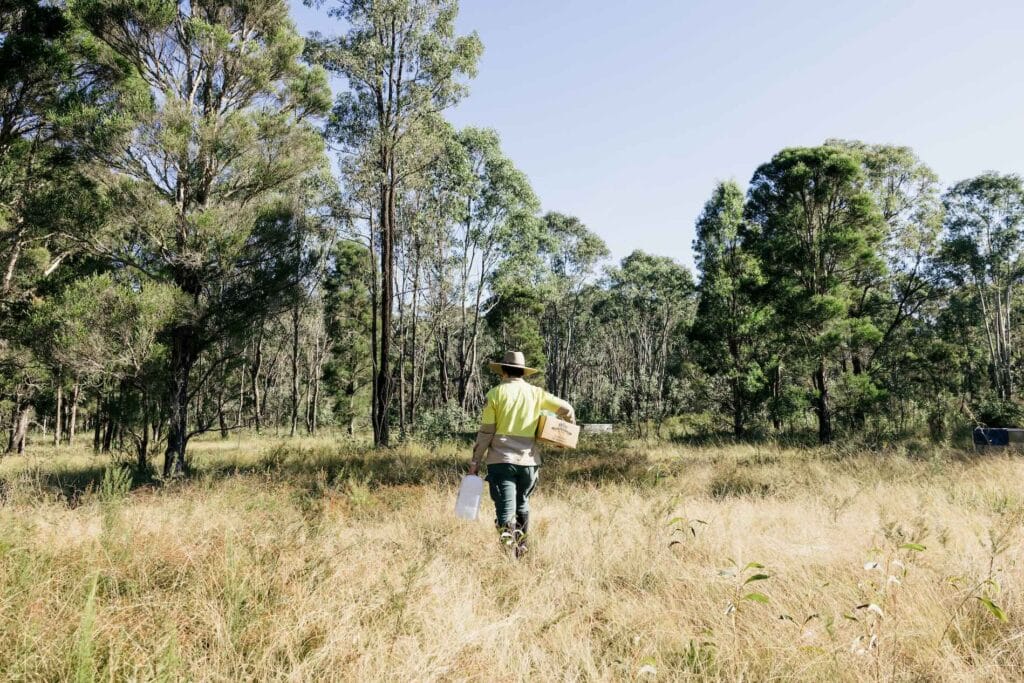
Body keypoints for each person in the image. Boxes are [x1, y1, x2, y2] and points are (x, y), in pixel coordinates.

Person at [468, 350, 576, 557]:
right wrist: (566, 434)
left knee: (505, 511)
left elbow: (486, 432)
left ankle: (511, 556)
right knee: (522, 505)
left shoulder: (495, 395)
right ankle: (522, 548)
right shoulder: (536, 393)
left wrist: (475, 462)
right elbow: (567, 409)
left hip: (501, 461)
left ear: (503, 372)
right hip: (529, 462)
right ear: (523, 373)